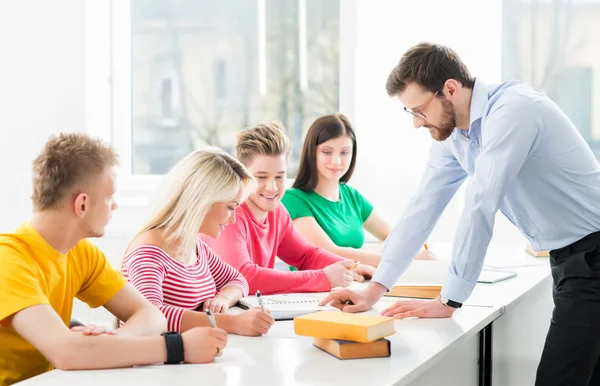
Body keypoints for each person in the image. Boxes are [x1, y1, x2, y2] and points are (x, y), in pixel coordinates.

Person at [319, 42, 600, 386]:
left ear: (449, 89)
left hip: (594, 253)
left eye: (419, 110)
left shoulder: (514, 111)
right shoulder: (455, 136)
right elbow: (422, 208)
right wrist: (376, 288)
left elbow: (481, 203)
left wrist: (450, 299)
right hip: (572, 257)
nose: (417, 124)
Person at [0, 133, 227, 386]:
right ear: (82, 205)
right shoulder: (7, 261)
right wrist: (178, 348)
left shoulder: (81, 253)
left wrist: (112, 341)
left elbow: (151, 315)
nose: (114, 205)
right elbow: (65, 352)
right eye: (109, 197)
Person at [203, 122, 375, 295]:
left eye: (279, 176)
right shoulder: (230, 213)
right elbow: (244, 277)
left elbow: (306, 255)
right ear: (244, 176)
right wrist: (323, 278)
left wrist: (351, 266)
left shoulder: (277, 212)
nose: (272, 187)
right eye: (261, 177)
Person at [122, 148, 274, 336]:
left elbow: (238, 280)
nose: (233, 218)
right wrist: (231, 322)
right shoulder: (148, 252)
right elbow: (151, 316)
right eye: (230, 207)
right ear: (203, 201)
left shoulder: (195, 246)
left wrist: (223, 299)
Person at [281, 113, 436, 267]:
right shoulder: (293, 199)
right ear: (311, 152)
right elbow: (329, 255)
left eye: (345, 152)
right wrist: (409, 261)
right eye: (327, 152)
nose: (336, 161)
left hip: (356, 283)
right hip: (315, 290)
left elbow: (396, 238)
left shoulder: (351, 196)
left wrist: (370, 250)